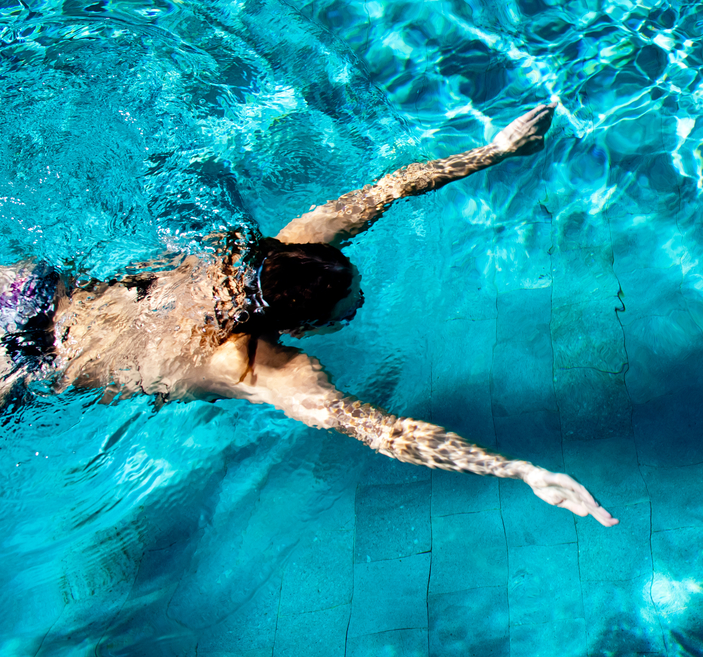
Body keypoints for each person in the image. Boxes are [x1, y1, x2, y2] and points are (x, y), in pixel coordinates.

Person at [0, 103, 618, 527]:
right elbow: (376, 429)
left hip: (35, 292)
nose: (359, 303)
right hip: (29, 362)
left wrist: (496, 151)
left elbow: (391, 187)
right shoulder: (253, 365)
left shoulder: (287, 248)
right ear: (299, 328)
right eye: (346, 311)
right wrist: (517, 469)